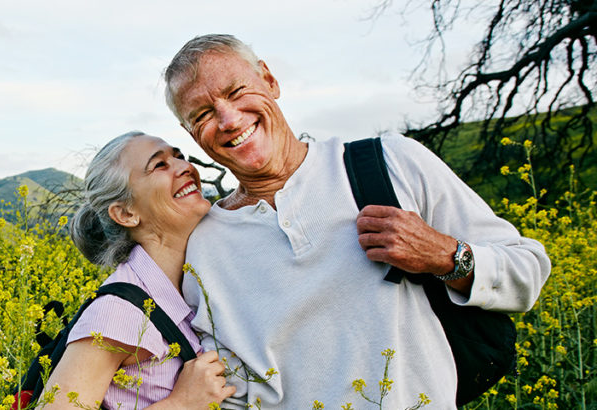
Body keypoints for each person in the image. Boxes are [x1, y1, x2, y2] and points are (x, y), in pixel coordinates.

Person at [162, 34, 551, 408]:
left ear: (269, 79)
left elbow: (527, 273)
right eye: (203, 114)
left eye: (236, 92)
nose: (229, 120)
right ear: (189, 132)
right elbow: (227, 391)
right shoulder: (203, 245)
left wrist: (445, 256)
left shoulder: (390, 163)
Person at [39, 131, 236, 409]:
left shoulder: (191, 287)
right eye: (159, 165)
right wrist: (180, 404)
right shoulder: (118, 314)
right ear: (126, 214)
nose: (185, 166)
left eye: (178, 156)